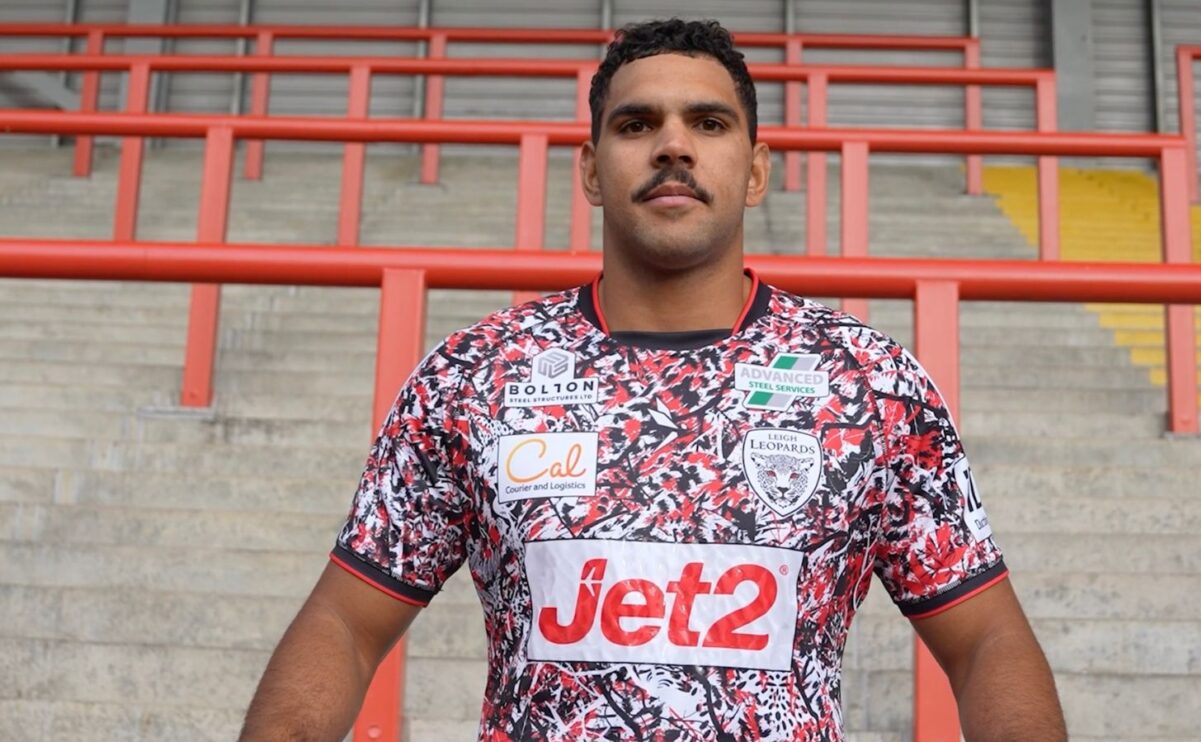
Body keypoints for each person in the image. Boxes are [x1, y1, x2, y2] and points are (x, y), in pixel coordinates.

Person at [240, 18, 1066, 741]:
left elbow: (985, 639)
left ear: (755, 171)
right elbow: (346, 623)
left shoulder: (868, 383)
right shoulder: (476, 375)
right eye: (637, 124)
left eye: (708, 122)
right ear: (592, 170)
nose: (673, 145)